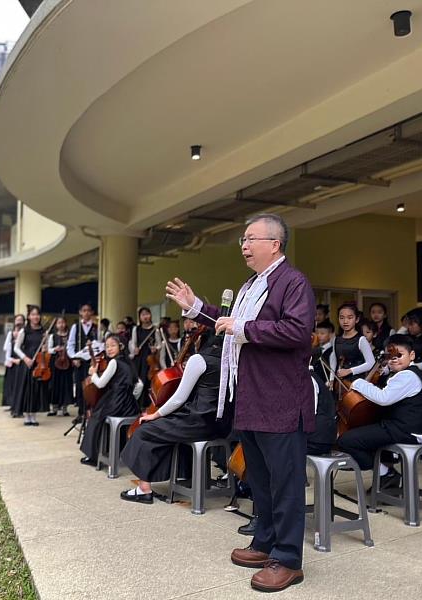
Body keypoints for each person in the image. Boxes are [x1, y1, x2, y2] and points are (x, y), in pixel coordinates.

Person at [166, 213, 314, 593]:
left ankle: (288, 559)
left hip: (280, 401)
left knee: (285, 483)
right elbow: (227, 321)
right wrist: (195, 305)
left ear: (274, 244)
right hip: (250, 397)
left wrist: (243, 328)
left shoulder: (292, 283)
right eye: (242, 240)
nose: (244, 246)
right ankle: (265, 542)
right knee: (260, 479)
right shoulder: (253, 284)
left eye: (250, 239)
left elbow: (297, 332)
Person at [120, 329, 229, 503]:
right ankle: (185, 478)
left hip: (197, 422)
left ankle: (144, 489)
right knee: (168, 431)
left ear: (201, 340)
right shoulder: (231, 360)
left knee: (145, 431)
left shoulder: (198, 359)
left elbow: (179, 398)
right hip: (221, 425)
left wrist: (155, 414)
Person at [338, 334, 422, 489]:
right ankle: (386, 475)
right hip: (407, 429)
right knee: (368, 436)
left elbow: (384, 398)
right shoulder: (405, 374)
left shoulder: (407, 376)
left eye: (399, 355)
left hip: (408, 431)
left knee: (347, 440)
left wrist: (358, 383)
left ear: (412, 355)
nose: (394, 359)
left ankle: (386, 474)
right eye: (389, 356)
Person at [80, 334, 142, 465]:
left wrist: (93, 374)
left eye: (113, 345)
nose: (109, 349)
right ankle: (115, 451)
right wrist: (131, 397)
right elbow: (140, 385)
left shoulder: (114, 362)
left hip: (116, 401)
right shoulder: (129, 362)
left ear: (121, 346)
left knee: (96, 417)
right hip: (130, 404)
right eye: (107, 346)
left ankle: (93, 456)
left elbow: (101, 383)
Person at [13, 305, 49, 425]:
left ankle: (33, 415)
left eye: (37, 314)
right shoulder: (24, 331)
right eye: (33, 314)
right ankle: (26, 416)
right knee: (27, 389)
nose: (36, 317)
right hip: (27, 363)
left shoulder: (43, 332)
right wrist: (25, 358)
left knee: (35, 390)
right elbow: (16, 348)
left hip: (38, 363)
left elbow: (46, 349)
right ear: (29, 316)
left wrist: (45, 348)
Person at [329, 303, 375, 384]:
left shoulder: (361, 339)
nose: (345, 321)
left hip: (356, 382)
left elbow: (371, 363)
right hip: (339, 383)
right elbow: (334, 361)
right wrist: (331, 379)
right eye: (342, 318)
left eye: (350, 318)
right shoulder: (336, 339)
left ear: (356, 319)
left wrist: (350, 371)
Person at [67, 303, 99, 409]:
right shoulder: (76, 327)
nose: (86, 313)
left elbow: (99, 344)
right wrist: (74, 358)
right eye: (84, 310)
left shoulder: (96, 327)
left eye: (88, 310)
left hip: (91, 361)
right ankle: (81, 412)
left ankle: (91, 410)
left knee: (91, 385)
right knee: (80, 386)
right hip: (79, 362)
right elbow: (70, 345)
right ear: (80, 312)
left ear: (92, 312)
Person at [128, 306, 161, 408]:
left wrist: (155, 348)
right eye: (143, 315)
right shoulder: (135, 329)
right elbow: (133, 343)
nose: (145, 316)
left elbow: (159, 344)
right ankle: (136, 405)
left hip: (150, 360)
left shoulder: (155, 329)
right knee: (138, 381)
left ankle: (148, 406)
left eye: (147, 314)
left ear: (150, 315)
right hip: (138, 359)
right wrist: (135, 349)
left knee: (148, 381)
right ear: (140, 317)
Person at [47, 315, 73, 416]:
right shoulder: (53, 336)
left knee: (66, 384)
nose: (61, 325)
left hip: (67, 362)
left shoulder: (70, 335)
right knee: (55, 384)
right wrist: (55, 349)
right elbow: (49, 349)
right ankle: (54, 408)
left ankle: (65, 408)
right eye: (59, 323)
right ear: (56, 325)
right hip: (55, 363)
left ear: (65, 323)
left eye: (63, 322)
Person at [2, 315, 25, 408]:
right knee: (11, 385)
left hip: (21, 362)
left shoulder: (24, 334)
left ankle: (19, 404)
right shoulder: (10, 334)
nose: (18, 322)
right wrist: (14, 360)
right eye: (17, 320)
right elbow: (5, 349)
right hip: (12, 363)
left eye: (21, 320)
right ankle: (11, 404)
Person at [311, 320, 334, 384]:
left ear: (331, 334)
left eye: (322, 333)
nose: (319, 336)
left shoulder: (332, 351)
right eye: (317, 333)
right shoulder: (314, 349)